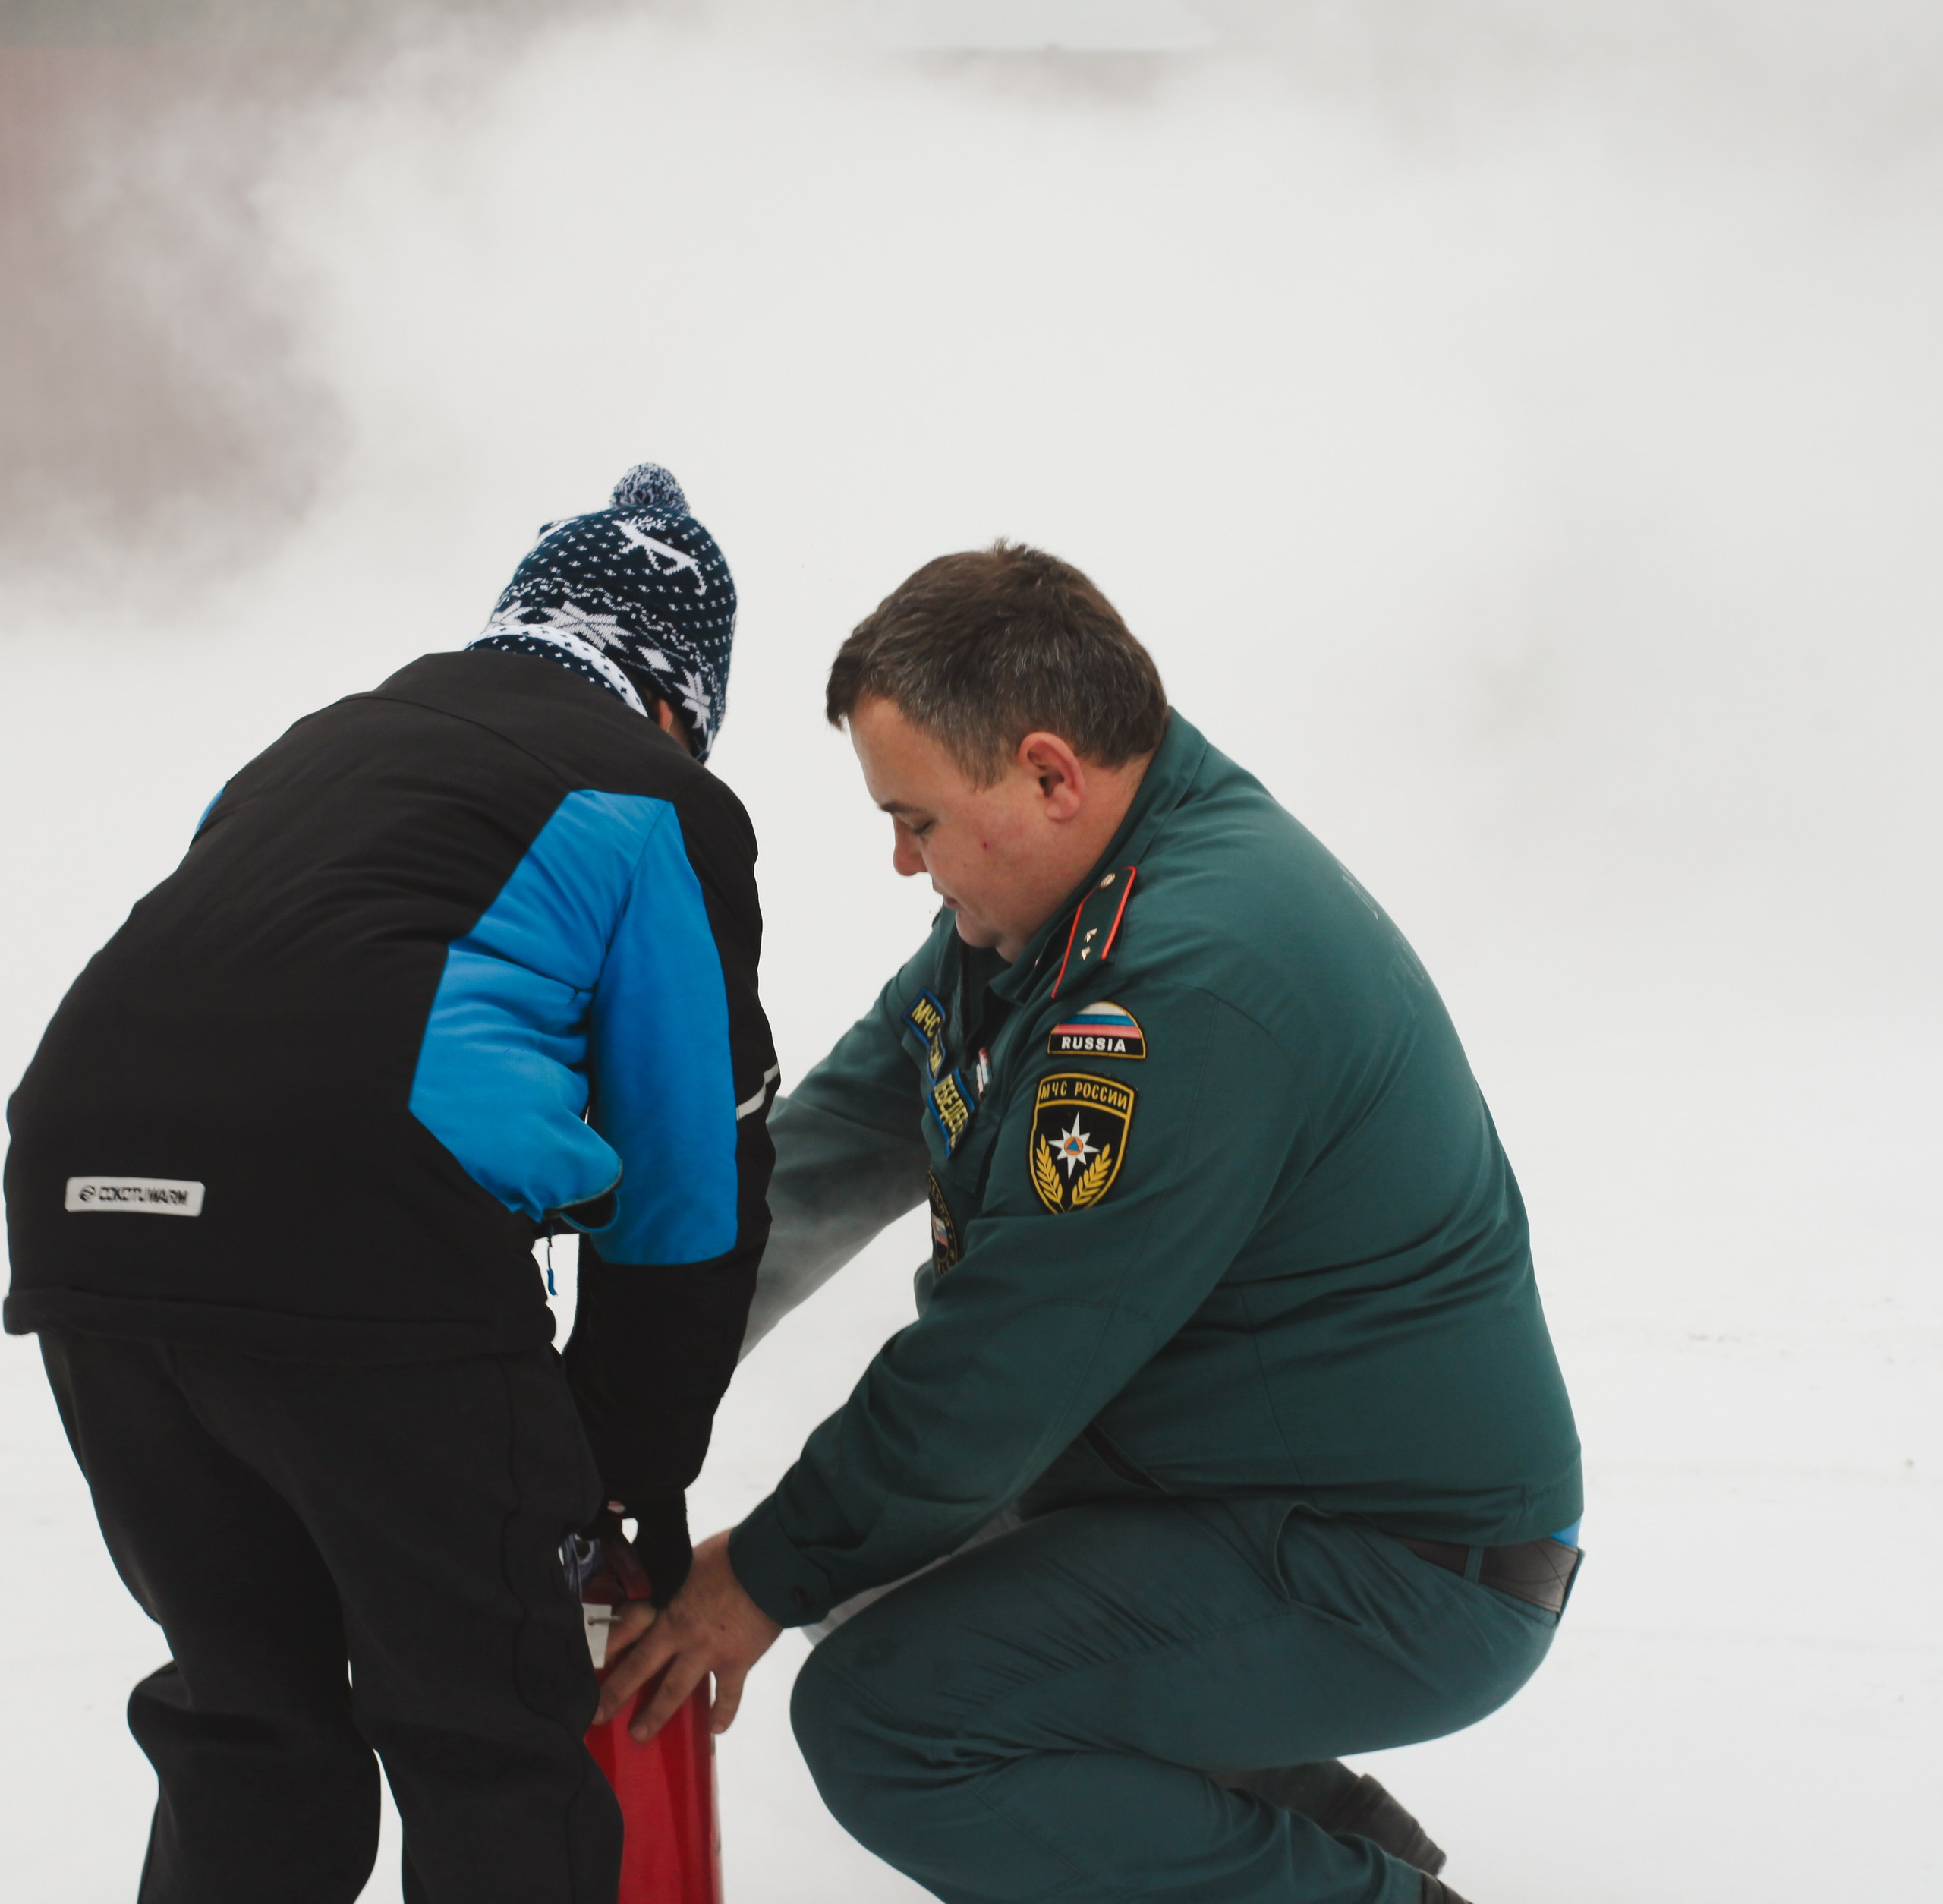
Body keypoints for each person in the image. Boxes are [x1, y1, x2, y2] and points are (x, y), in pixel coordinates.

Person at [599, 542, 1583, 1904]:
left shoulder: (1190, 979)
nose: (900, 860)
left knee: (894, 1717)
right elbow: (819, 1168)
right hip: (1222, 1495)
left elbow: (999, 1370)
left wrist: (754, 1575)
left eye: (917, 819)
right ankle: (1334, 1840)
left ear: (1052, 774)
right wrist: (603, 1403)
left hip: (1394, 1566)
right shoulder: (1036, 920)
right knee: (883, 1583)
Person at [3, 464, 779, 1904]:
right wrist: (620, 1486)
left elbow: (257, 1009)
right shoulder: (657, 796)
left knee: (253, 1735)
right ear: (677, 700)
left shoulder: (317, 749)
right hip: (361, 1229)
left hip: (81, 1207)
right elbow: (690, 1193)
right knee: (490, 1745)